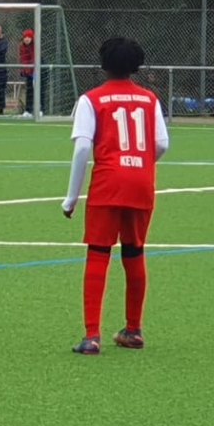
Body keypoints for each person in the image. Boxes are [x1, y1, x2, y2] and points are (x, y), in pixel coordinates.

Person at [63, 37, 169, 355]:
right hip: (141, 183)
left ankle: (91, 336)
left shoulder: (91, 99)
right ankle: (133, 330)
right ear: (136, 65)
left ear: (103, 64)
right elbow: (162, 144)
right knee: (134, 252)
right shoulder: (150, 99)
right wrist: (140, 165)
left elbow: (82, 148)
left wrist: (71, 197)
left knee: (98, 252)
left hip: (108, 184)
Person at [18, 28, 37, 117]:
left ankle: (39, 109)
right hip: (29, 72)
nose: (27, 39)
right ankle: (28, 110)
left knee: (38, 89)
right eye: (25, 37)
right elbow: (23, 59)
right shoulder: (21, 46)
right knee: (29, 90)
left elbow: (35, 58)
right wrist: (25, 69)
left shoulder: (35, 46)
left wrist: (33, 69)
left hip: (36, 71)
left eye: (28, 37)